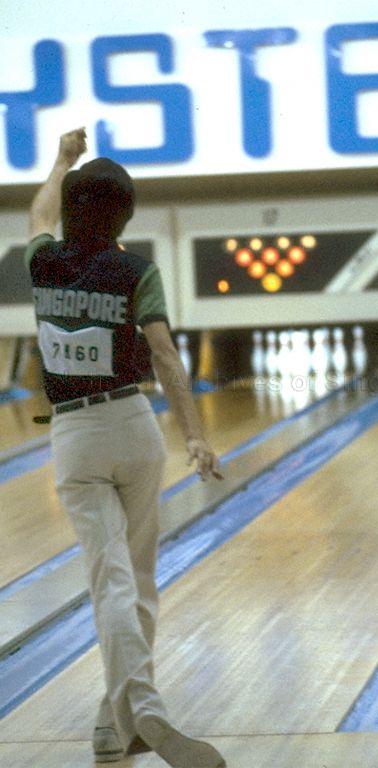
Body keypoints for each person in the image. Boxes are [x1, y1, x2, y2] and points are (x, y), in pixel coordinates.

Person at [25, 128, 227, 768]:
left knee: (109, 579)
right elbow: (163, 355)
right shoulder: (136, 271)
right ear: (126, 216)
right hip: (134, 426)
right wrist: (195, 434)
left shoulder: (42, 261)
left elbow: (37, 215)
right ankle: (124, 718)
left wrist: (61, 159)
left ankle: (129, 716)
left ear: (70, 207)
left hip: (73, 435)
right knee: (137, 580)